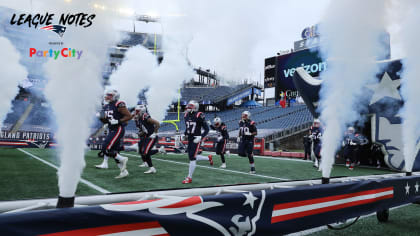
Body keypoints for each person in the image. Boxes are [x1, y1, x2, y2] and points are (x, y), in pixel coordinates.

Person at [95, 89, 131, 179]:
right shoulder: (106, 106)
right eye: (107, 95)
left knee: (105, 148)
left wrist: (118, 121)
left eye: (109, 95)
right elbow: (106, 121)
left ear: (115, 96)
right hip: (112, 129)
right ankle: (124, 172)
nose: (107, 96)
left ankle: (123, 159)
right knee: (114, 152)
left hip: (117, 129)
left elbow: (129, 116)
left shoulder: (119, 104)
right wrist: (100, 117)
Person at [182, 100, 212, 184]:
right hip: (190, 138)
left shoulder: (199, 115)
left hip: (196, 138)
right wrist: (185, 134)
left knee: (192, 157)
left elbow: (207, 129)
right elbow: (188, 127)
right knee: (192, 156)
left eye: (190, 106)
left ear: (195, 107)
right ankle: (208, 158)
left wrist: (201, 137)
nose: (188, 108)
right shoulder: (186, 115)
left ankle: (189, 177)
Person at [133, 104, 160, 174]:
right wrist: (138, 135)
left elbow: (157, 123)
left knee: (145, 152)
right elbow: (144, 131)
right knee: (141, 151)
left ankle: (152, 167)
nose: (136, 113)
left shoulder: (145, 117)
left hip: (151, 137)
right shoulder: (139, 118)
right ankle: (150, 166)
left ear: (142, 111)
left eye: (137, 111)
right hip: (146, 137)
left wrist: (155, 133)